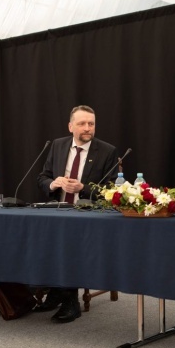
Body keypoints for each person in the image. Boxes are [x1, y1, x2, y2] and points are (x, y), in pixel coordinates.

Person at [35, 105, 119, 323]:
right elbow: (42, 178)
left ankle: (70, 300)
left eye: (91, 124)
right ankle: (55, 290)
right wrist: (54, 183)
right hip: (58, 211)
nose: (87, 128)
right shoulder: (58, 145)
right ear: (70, 126)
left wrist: (83, 188)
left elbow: (112, 191)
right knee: (38, 236)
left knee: (68, 240)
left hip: (88, 216)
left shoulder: (107, 151)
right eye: (82, 124)